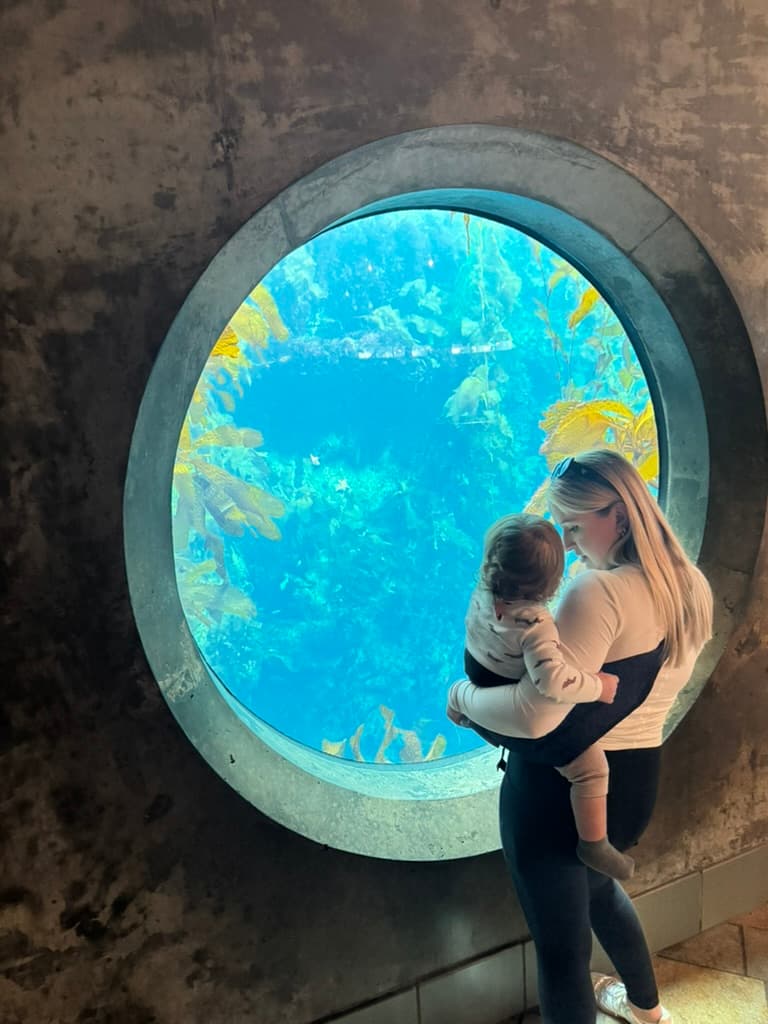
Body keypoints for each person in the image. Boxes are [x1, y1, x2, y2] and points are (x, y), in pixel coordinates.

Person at [447, 450, 713, 1024]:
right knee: (599, 893)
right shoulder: (690, 585)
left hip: (552, 797)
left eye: (573, 527)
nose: (566, 546)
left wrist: (463, 698)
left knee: (562, 955)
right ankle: (648, 1011)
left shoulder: (597, 594)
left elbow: (537, 716)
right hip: (635, 785)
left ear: (617, 516)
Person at [462, 512, 634, 880]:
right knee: (591, 769)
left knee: (480, 709)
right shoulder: (536, 625)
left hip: (477, 672)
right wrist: (597, 686)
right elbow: (552, 682)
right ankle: (594, 844)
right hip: (505, 692)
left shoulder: (482, 593)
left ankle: (466, 711)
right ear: (551, 585)